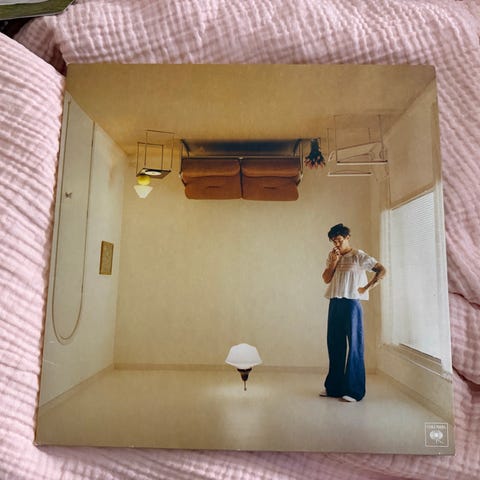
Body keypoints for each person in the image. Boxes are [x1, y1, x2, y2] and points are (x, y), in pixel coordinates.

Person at [320, 223, 386, 402]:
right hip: (335, 302)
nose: (337, 244)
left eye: (339, 240)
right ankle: (334, 388)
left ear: (347, 237)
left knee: (355, 345)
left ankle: (354, 391)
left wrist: (367, 287)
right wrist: (333, 262)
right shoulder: (332, 256)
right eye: (334, 241)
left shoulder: (358, 256)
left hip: (351, 304)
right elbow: (326, 279)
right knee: (334, 344)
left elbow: (382, 270)